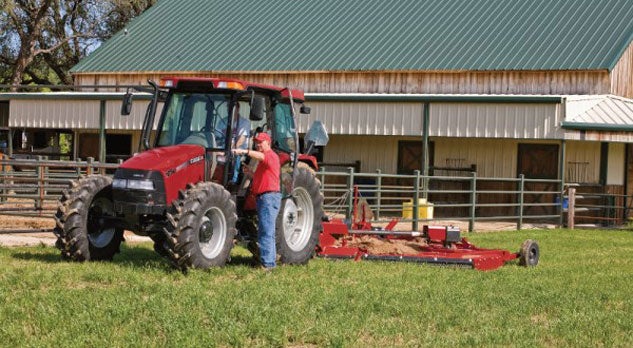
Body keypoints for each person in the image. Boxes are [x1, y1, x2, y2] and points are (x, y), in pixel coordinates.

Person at [232, 132, 280, 270]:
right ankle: (269, 261)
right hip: (263, 198)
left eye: (261, 142)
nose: (258, 144)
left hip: (268, 198)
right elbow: (261, 178)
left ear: (268, 143)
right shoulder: (263, 163)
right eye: (256, 142)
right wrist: (250, 173)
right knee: (265, 231)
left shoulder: (270, 156)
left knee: (266, 231)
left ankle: (268, 265)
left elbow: (260, 156)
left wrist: (244, 151)